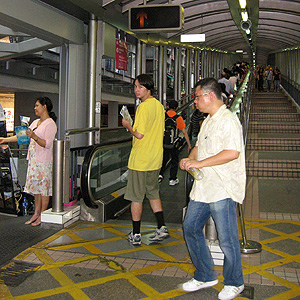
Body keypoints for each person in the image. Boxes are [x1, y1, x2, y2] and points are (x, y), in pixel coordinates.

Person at [179, 78, 246, 300]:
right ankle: (205, 274)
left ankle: (235, 282)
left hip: (222, 188)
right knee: (190, 227)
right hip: (204, 187)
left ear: (209, 96)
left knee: (227, 239)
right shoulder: (208, 121)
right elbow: (199, 147)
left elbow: (232, 153)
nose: (195, 101)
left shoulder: (229, 121)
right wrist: (190, 159)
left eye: (197, 97)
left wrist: (199, 164)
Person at [121, 74, 169, 245]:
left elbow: (139, 134)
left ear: (148, 88)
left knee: (136, 197)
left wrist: (128, 126)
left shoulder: (143, 107)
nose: (136, 90)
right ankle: (161, 227)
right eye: (135, 87)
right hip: (155, 158)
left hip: (140, 160)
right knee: (153, 193)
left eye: (140, 87)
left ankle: (136, 234)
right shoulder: (159, 106)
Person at [0, 97, 57, 226]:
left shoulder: (50, 124)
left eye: (37, 105)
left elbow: (47, 144)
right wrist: (5, 140)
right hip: (33, 160)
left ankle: (43, 213)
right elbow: (23, 136)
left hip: (44, 161)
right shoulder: (36, 122)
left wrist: (35, 137)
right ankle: (36, 213)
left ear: (44, 107)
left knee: (44, 190)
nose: (35, 108)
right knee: (36, 189)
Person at [159, 100, 191, 186]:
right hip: (174, 144)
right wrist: (189, 144)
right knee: (174, 161)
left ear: (168, 106)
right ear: (176, 108)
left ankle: (160, 175)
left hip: (162, 143)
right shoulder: (178, 118)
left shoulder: (163, 116)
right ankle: (172, 179)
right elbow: (184, 132)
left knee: (163, 160)